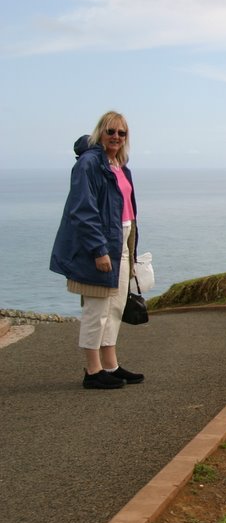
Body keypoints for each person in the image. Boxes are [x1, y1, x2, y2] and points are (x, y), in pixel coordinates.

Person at [50, 111, 145, 389]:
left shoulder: (119, 164)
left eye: (121, 133)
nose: (116, 137)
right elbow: (83, 210)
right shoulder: (89, 164)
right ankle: (93, 371)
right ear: (99, 132)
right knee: (97, 308)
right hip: (102, 244)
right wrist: (98, 250)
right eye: (110, 131)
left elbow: (124, 209)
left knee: (115, 306)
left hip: (123, 240)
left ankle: (110, 365)